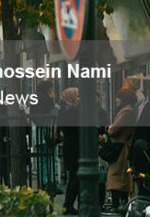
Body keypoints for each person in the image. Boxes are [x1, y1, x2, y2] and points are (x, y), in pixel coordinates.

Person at [106, 88, 137, 210]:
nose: (116, 100)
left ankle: (118, 204)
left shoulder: (127, 113)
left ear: (124, 99)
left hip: (120, 148)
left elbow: (113, 130)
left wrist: (109, 128)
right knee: (120, 177)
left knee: (116, 177)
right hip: (120, 147)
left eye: (118, 97)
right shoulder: (127, 111)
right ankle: (121, 203)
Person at [56, 87, 81, 215]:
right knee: (76, 176)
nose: (79, 98)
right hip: (74, 147)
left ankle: (69, 204)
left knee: (74, 176)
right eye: (77, 96)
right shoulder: (69, 111)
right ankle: (68, 204)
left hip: (72, 146)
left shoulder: (66, 110)